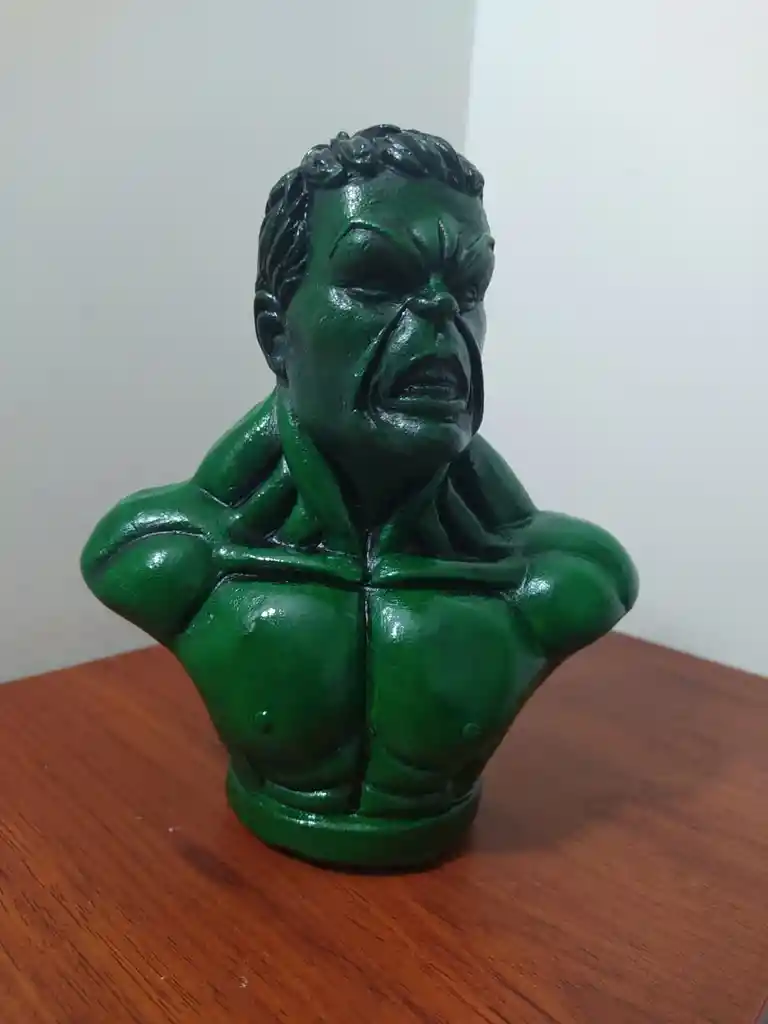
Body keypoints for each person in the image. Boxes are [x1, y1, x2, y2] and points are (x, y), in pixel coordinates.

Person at [82, 125, 638, 867]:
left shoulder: (564, 578)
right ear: (276, 335)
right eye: (376, 280)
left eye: (468, 287)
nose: (439, 311)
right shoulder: (166, 557)